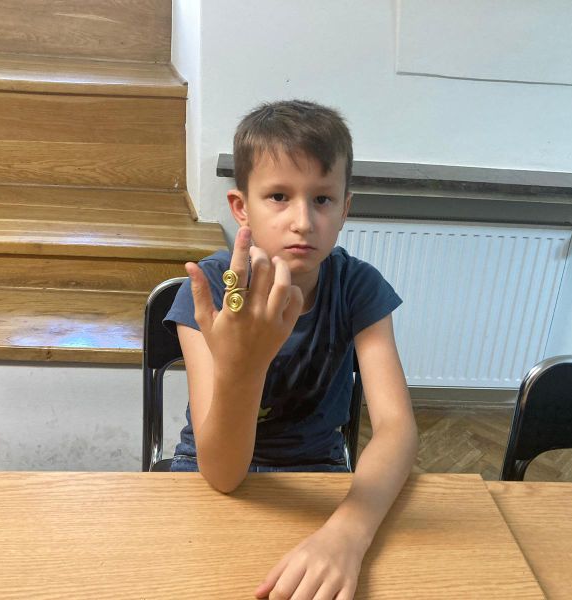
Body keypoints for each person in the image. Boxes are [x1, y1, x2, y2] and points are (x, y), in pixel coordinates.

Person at [164, 100, 418, 600]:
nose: (303, 220)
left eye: (322, 199)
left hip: (318, 473)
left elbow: (397, 429)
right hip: (206, 470)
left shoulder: (358, 287)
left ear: (345, 209)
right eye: (279, 196)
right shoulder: (211, 291)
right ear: (241, 207)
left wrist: (347, 534)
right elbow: (223, 476)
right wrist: (244, 364)